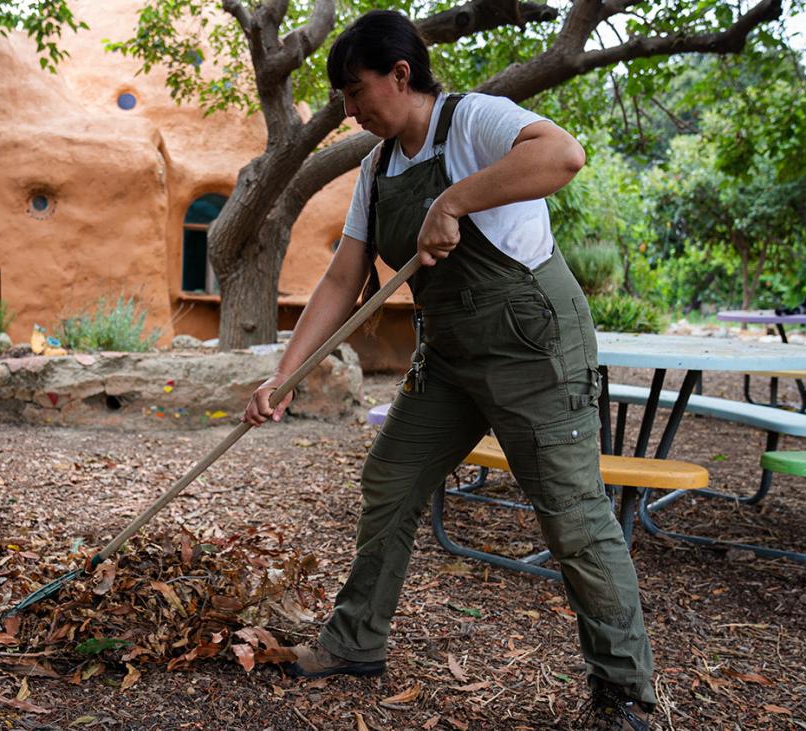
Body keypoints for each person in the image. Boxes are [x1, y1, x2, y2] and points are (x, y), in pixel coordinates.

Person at [240, 10, 656, 730]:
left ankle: (626, 691)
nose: (348, 109)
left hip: (534, 349)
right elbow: (343, 278)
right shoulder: (374, 168)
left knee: (575, 519)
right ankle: (356, 639)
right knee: (390, 480)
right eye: (341, 96)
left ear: (402, 74)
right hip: (453, 360)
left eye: (355, 90)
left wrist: (454, 199)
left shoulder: (474, 121)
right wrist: (286, 373)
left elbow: (564, 155)